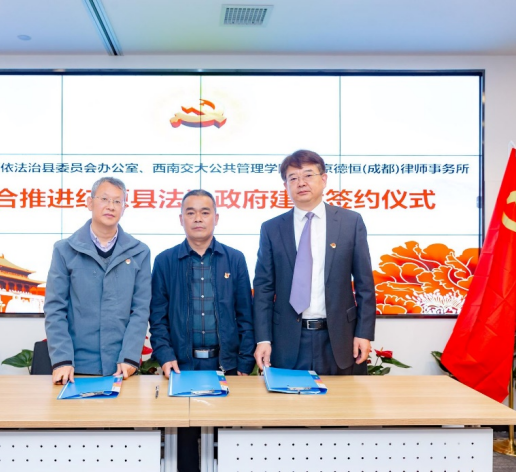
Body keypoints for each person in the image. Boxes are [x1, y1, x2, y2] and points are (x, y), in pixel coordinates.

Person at [150, 189, 255, 472]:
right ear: (181, 219)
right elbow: (157, 318)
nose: (198, 218)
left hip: (225, 365)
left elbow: (246, 316)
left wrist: (244, 363)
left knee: (226, 441)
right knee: (184, 441)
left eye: (205, 212)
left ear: (216, 218)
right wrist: (165, 356)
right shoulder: (165, 261)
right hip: (182, 366)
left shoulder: (234, 259)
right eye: (191, 212)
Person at [253, 150, 375, 375]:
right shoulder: (271, 228)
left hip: (340, 338)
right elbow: (263, 289)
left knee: (344, 398)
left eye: (308, 175)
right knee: (290, 398)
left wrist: (364, 333)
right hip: (288, 340)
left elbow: (365, 285)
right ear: (285, 185)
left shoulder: (350, 222)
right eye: (293, 178)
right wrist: (263, 339)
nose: (301, 183)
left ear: (324, 179)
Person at [45, 177, 151, 385]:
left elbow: (140, 309)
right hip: (75, 368)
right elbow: (55, 308)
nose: (111, 206)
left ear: (124, 208)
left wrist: (130, 356)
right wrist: (62, 360)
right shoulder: (65, 250)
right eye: (104, 199)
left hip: (122, 368)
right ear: (89, 202)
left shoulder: (139, 252)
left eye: (117, 201)